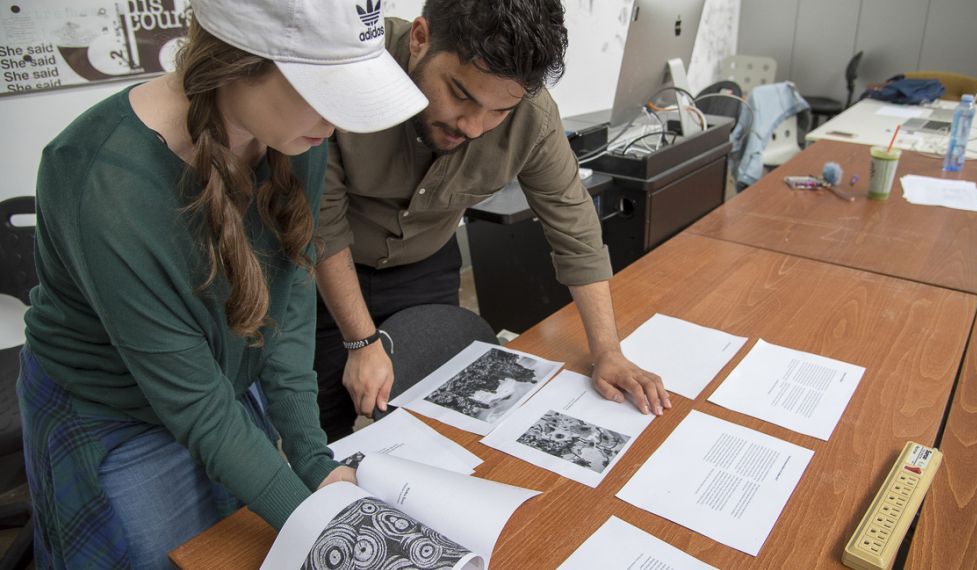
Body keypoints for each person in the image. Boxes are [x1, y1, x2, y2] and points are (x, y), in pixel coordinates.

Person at [16, 0, 427, 567]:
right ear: (240, 62)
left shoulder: (294, 135)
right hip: (117, 410)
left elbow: (288, 305)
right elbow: (195, 404)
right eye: (323, 94)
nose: (334, 123)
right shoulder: (102, 181)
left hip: (224, 386)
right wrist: (321, 524)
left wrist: (312, 457)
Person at [315, 0, 671, 441]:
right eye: (461, 94)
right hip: (320, 269)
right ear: (421, 39)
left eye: (498, 112)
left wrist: (608, 352)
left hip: (424, 263)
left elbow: (574, 226)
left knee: (436, 411)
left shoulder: (532, 116)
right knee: (323, 415)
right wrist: (360, 342)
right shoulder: (350, 68)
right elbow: (321, 225)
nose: (474, 126)